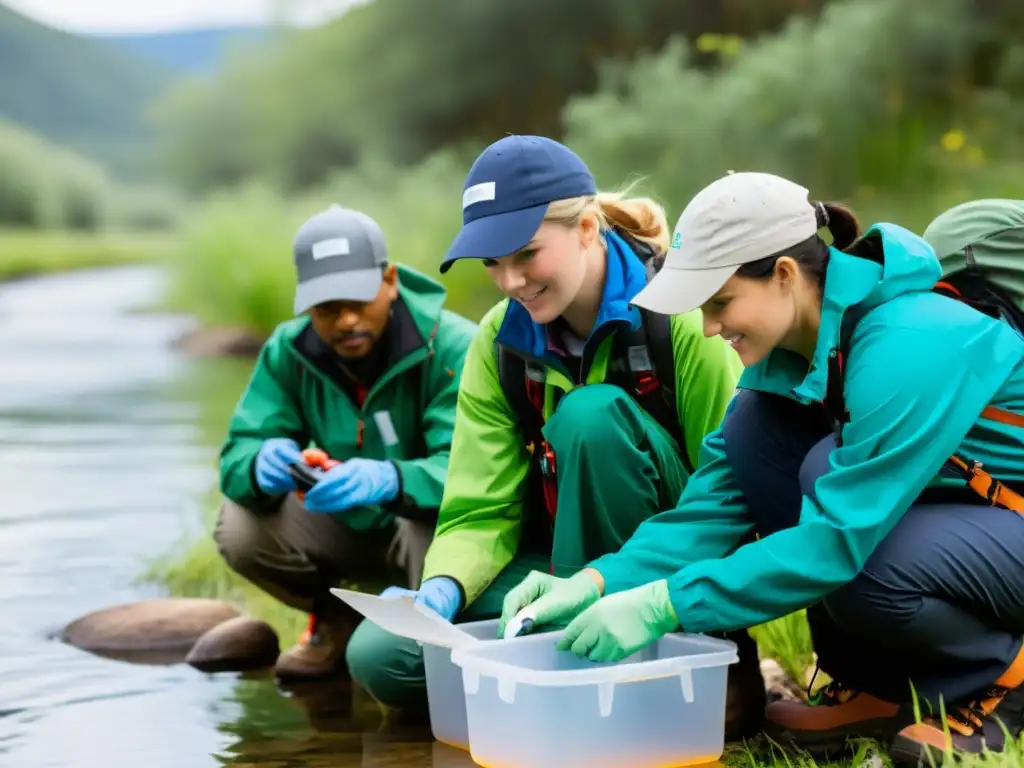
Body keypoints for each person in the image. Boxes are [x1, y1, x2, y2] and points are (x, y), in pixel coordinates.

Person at [501, 176, 1024, 764]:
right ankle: (884, 687)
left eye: (720, 303)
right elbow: (710, 507)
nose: (708, 329)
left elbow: (834, 545)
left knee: (859, 557)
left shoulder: (908, 341)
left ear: (783, 274)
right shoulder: (788, 362)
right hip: (972, 525)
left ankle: (1002, 676)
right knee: (757, 437)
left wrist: (666, 604)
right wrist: (598, 581)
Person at [344, 135, 764, 737]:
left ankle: (681, 657)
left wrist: (680, 601)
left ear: (588, 228)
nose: (510, 280)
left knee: (590, 417)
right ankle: (569, 662)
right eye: (491, 263)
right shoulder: (497, 342)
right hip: (551, 568)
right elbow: (479, 508)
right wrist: (440, 590)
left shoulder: (683, 317)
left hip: (664, 569)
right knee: (381, 656)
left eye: (526, 254)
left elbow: (732, 497)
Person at [214, 204, 476, 682]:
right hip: (349, 525)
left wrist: (391, 478)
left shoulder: (456, 347)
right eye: (327, 308)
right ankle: (338, 617)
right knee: (239, 526)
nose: (347, 321)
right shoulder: (288, 351)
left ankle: (428, 657)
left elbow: (473, 476)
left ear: (391, 280)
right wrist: (260, 465)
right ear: (306, 305)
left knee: (428, 517)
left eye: (359, 300)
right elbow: (239, 453)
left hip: (428, 529)